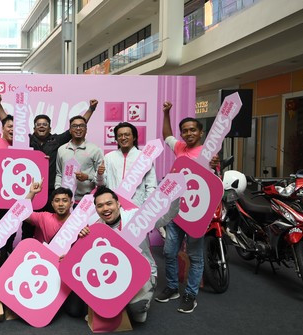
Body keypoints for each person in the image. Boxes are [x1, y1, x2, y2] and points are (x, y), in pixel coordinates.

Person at [154, 101, 219, 314]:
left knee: (195, 255)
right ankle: (172, 287)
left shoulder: (208, 153)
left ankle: (190, 294)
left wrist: (213, 164)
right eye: (185, 131)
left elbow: (214, 185)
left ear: (200, 132)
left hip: (197, 214)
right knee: (169, 251)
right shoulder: (180, 148)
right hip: (176, 210)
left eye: (192, 130)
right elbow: (167, 136)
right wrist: (166, 113)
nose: (188, 133)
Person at [0, 94, 98, 210]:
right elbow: (8, 123)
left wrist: (91, 109)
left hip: (51, 190)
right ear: (34, 128)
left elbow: (77, 127)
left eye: (45, 124)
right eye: (38, 124)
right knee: (29, 222)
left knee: (51, 222)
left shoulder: (57, 140)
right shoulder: (26, 139)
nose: (41, 126)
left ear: (50, 128)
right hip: (30, 189)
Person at [79, 186, 156, 323]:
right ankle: (119, 303)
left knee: (137, 314)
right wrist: (83, 239)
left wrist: (174, 199)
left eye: (109, 204)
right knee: (105, 309)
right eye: (100, 206)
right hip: (113, 273)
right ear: (96, 209)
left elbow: (162, 218)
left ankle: (137, 304)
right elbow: (87, 258)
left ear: (118, 204)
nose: (105, 209)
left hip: (140, 272)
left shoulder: (135, 216)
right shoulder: (94, 225)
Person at [96, 122, 158, 279]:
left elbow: (151, 186)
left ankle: (150, 279)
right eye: (120, 135)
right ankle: (121, 280)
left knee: (140, 247)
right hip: (115, 211)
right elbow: (103, 186)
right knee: (115, 248)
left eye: (127, 134)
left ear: (134, 137)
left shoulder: (144, 158)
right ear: (116, 138)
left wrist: (145, 210)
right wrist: (100, 175)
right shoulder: (109, 157)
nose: (123, 137)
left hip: (136, 212)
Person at [55, 115, 104, 205]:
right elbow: (59, 173)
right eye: (74, 126)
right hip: (66, 201)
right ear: (70, 130)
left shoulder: (95, 150)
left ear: (86, 129)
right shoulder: (61, 149)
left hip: (87, 201)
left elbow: (102, 177)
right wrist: (58, 191)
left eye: (81, 126)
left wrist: (87, 177)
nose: (78, 128)